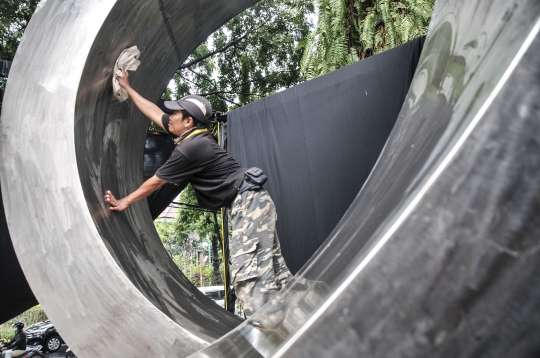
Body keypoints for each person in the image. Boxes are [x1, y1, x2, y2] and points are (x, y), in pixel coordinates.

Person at [105, 68, 292, 318]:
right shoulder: (193, 136)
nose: (169, 117)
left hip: (248, 204)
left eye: (175, 114)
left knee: (250, 277)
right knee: (274, 274)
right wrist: (127, 88)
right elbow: (154, 112)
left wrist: (124, 202)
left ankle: (268, 339)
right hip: (254, 200)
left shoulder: (192, 147)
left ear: (188, 122)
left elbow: (154, 183)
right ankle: (297, 324)